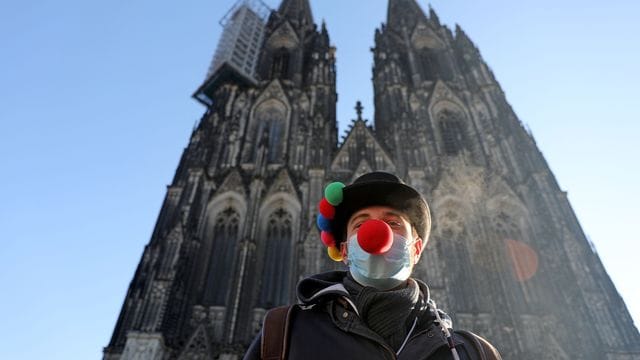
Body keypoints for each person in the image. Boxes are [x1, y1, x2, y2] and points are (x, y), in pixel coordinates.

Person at [243, 171, 501, 359]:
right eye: (360, 224)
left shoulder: (473, 353)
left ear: (417, 249)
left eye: (393, 223)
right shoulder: (282, 336)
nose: (376, 232)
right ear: (343, 250)